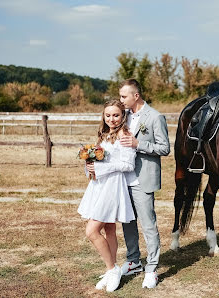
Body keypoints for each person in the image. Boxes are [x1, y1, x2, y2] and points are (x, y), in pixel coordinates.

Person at [77, 99, 136, 293]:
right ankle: (110, 269)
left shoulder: (125, 135)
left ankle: (113, 269)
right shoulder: (104, 134)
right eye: (108, 115)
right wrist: (90, 167)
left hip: (112, 187)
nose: (112, 119)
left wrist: (101, 168)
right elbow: (97, 159)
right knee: (109, 229)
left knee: (92, 231)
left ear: (123, 115)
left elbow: (128, 165)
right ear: (103, 116)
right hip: (99, 186)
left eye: (116, 115)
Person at [118, 79, 170, 289]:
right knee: (128, 223)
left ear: (135, 96)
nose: (121, 100)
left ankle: (152, 268)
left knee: (148, 225)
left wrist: (138, 144)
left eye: (124, 96)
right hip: (123, 180)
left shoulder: (155, 117)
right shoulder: (123, 117)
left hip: (143, 179)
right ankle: (133, 261)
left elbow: (164, 148)